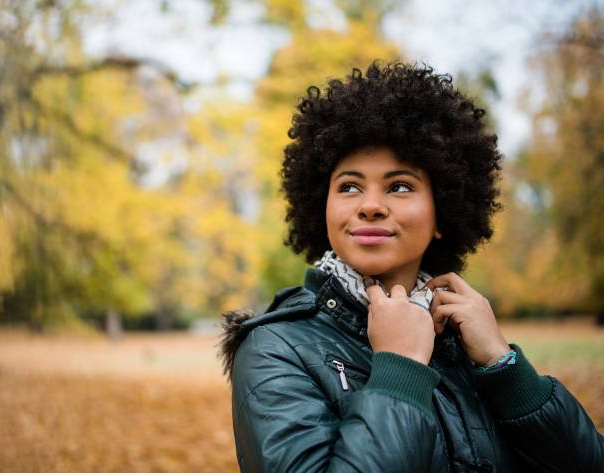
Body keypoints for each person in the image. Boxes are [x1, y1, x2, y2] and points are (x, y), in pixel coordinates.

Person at [219, 62, 604, 472]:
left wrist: (503, 366)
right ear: (322, 207)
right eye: (349, 186)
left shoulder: (464, 340)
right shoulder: (274, 349)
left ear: (443, 213)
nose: (369, 205)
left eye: (399, 186)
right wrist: (399, 369)